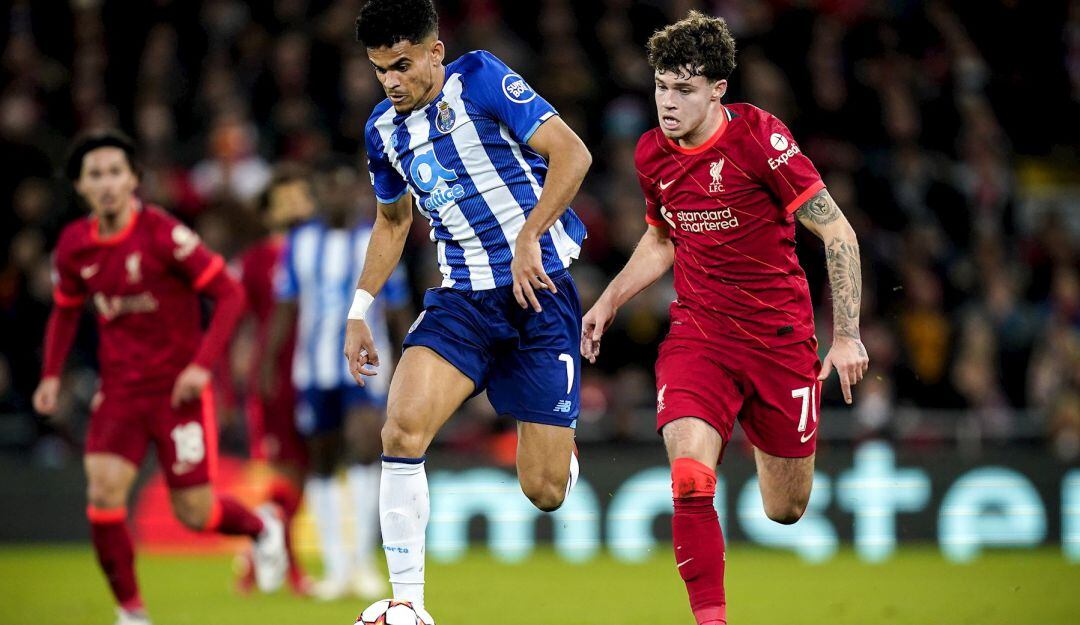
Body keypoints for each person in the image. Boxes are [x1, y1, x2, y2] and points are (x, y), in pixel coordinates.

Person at [581, 12, 869, 625]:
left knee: (785, 509)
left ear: (718, 90)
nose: (667, 102)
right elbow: (662, 238)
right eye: (660, 86)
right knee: (689, 478)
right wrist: (608, 300)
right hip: (699, 337)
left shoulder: (761, 140)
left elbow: (838, 233)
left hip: (779, 341)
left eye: (683, 89)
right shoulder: (652, 153)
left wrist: (845, 336)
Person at [344, 0, 592, 615]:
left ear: (435, 51)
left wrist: (530, 235)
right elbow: (391, 221)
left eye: (401, 65)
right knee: (400, 429)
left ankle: (562, 448)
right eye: (380, 70)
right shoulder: (383, 130)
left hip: (541, 293)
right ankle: (409, 607)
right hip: (461, 303)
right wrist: (359, 309)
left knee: (546, 492)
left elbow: (574, 155)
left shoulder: (480, 78)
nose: (391, 81)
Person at [32, 130, 287, 625]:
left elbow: (231, 293)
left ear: (133, 180)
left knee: (194, 513)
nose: (106, 183)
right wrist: (49, 375)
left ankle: (260, 526)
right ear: (81, 187)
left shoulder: (163, 234)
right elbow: (64, 311)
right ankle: (131, 612)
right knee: (103, 494)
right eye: (95, 175)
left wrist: (200, 367)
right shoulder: (74, 246)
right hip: (121, 393)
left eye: (114, 172)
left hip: (178, 393)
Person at [263, 161, 409, 600]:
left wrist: (406, 362)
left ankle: (362, 562)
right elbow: (285, 307)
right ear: (319, 197)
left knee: (366, 448)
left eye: (346, 190)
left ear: (357, 196)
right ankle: (335, 566)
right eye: (329, 191)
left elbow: (398, 305)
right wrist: (268, 362)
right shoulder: (299, 244)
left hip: (367, 363)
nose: (338, 199)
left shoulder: (375, 240)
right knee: (323, 460)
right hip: (315, 367)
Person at [233, 166, 316, 596]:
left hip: (315, 374)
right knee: (283, 476)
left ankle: (254, 556)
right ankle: (290, 569)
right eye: (285, 197)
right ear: (268, 213)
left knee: (301, 478)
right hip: (274, 380)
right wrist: (240, 381)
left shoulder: (320, 250)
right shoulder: (255, 261)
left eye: (300, 195)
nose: (296, 203)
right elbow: (238, 324)